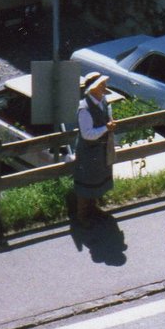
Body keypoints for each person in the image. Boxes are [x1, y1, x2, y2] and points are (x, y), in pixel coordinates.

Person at [74, 73, 116, 222]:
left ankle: (94, 209)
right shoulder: (84, 108)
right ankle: (82, 216)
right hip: (88, 152)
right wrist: (106, 128)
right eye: (101, 85)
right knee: (86, 183)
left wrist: (109, 122)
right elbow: (87, 134)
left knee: (98, 180)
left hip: (100, 150)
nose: (104, 87)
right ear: (93, 89)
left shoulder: (103, 101)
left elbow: (106, 115)